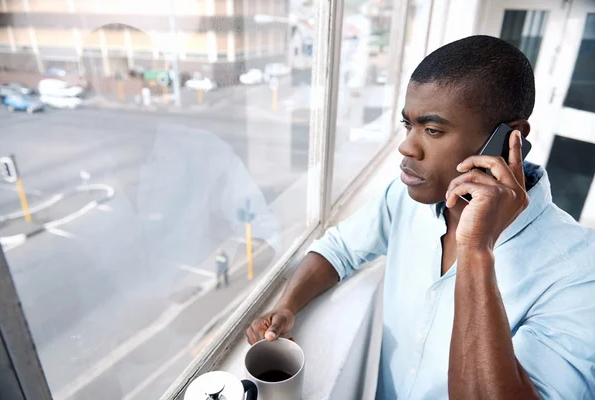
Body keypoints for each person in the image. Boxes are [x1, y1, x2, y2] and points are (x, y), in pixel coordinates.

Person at [245, 35, 595, 399]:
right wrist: (287, 306)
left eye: (432, 130)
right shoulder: (404, 197)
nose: (407, 146)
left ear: (510, 138)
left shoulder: (580, 272)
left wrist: (477, 249)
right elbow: (339, 248)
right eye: (407, 125)